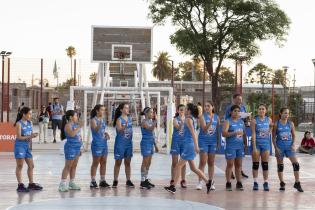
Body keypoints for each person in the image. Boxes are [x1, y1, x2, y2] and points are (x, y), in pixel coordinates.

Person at [164, 103, 211, 194]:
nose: (184, 110)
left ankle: (173, 187)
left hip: (189, 146)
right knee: (193, 168)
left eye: (185, 109)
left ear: (188, 110)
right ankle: (208, 182)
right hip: (188, 145)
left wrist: (196, 146)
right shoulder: (190, 119)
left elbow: (194, 133)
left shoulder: (188, 119)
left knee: (178, 165)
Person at [272, 107, 303, 192]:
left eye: (288, 113)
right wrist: (276, 147)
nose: (286, 115)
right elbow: (273, 137)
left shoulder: (291, 123)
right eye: (285, 113)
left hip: (289, 146)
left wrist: (293, 144)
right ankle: (282, 183)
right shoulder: (276, 124)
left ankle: (297, 183)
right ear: (281, 113)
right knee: (280, 165)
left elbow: (293, 135)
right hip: (280, 147)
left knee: (296, 164)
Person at [14, 107, 42, 192]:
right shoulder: (19, 124)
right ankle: (20, 185)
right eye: (29, 114)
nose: (30, 115)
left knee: (31, 165)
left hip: (27, 147)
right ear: (24, 114)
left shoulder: (30, 123)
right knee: (20, 166)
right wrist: (30, 136)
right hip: (20, 146)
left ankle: (31, 184)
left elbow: (30, 134)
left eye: (31, 114)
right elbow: (19, 137)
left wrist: (33, 135)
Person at [222, 105, 248, 191]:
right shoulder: (227, 121)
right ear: (231, 112)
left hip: (240, 146)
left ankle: (239, 182)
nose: (237, 112)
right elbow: (224, 134)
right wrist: (234, 133)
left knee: (239, 165)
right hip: (230, 146)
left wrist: (245, 144)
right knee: (230, 164)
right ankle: (228, 182)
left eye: (238, 111)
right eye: (235, 111)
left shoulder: (241, 122)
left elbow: (244, 134)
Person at [225, 93, 250, 179]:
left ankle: (240, 172)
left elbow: (245, 119)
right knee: (231, 162)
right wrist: (233, 130)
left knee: (239, 161)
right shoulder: (229, 108)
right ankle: (230, 172)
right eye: (238, 99)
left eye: (241, 99)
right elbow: (227, 119)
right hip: (232, 136)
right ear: (234, 99)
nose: (240, 101)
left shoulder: (243, 107)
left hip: (240, 129)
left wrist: (247, 118)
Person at [196, 101, 220, 191]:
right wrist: (210, 123)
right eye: (205, 106)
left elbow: (218, 131)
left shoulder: (217, 117)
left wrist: (218, 143)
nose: (206, 108)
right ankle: (199, 182)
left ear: (212, 107)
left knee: (211, 162)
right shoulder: (202, 117)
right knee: (202, 161)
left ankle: (211, 181)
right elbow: (205, 130)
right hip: (203, 141)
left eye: (208, 106)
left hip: (213, 142)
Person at [58, 110, 83, 192]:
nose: (77, 117)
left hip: (77, 147)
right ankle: (62, 184)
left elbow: (79, 136)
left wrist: (81, 147)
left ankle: (71, 183)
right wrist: (79, 127)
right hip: (70, 148)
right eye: (75, 116)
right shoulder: (68, 126)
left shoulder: (75, 125)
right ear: (71, 117)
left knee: (74, 166)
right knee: (68, 166)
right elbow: (72, 134)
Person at [251, 104, 272, 191]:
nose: (261, 110)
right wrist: (254, 146)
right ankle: (255, 182)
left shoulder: (269, 119)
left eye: (263, 109)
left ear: (265, 111)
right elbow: (253, 133)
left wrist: (270, 129)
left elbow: (270, 130)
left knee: (265, 164)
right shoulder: (254, 120)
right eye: (260, 109)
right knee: (256, 164)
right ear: (257, 110)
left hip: (266, 144)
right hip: (257, 144)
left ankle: (265, 182)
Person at [112, 103, 135, 188]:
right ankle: (115, 180)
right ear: (121, 110)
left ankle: (128, 180)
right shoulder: (119, 119)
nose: (127, 109)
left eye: (128, 108)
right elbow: (119, 130)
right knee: (118, 162)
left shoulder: (130, 119)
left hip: (128, 144)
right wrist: (124, 126)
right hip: (120, 143)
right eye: (126, 108)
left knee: (128, 162)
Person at [90, 104, 111, 189]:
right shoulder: (93, 120)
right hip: (97, 144)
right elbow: (95, 129)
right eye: (101, 110)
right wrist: (101, 121)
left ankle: (102, 180)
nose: (103, 111)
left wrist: (106, 134)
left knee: (104, 162)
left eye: (104, 110)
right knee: (96, 162)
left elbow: (101, 130)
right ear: (97, 111)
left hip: (104, 143)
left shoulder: (102, 120)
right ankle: (93, 181)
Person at [170, 104, 187, 188]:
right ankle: (173, 179)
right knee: (174, 162)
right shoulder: (175, 119)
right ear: (177, 111)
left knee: (183, 162)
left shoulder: (188, 120)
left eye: (183, 110)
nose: (182, 111)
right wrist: (182, 123)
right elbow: (177, 128)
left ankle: (183, 180)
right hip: (176, 142)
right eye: (180, 110)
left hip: (184, 142)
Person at [139, 107, 157, 189]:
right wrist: (155, 122)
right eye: (150, 112)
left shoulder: (150, 121)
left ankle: (145, 179)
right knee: (145, 161)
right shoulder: (144, 122)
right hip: (145, 143)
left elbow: (153, 134)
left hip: (150, 143)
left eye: (153, 112)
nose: (152, 114)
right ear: (146, 113)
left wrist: (155, 145)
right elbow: (150, 129)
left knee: (149, 162)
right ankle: (142, 181)